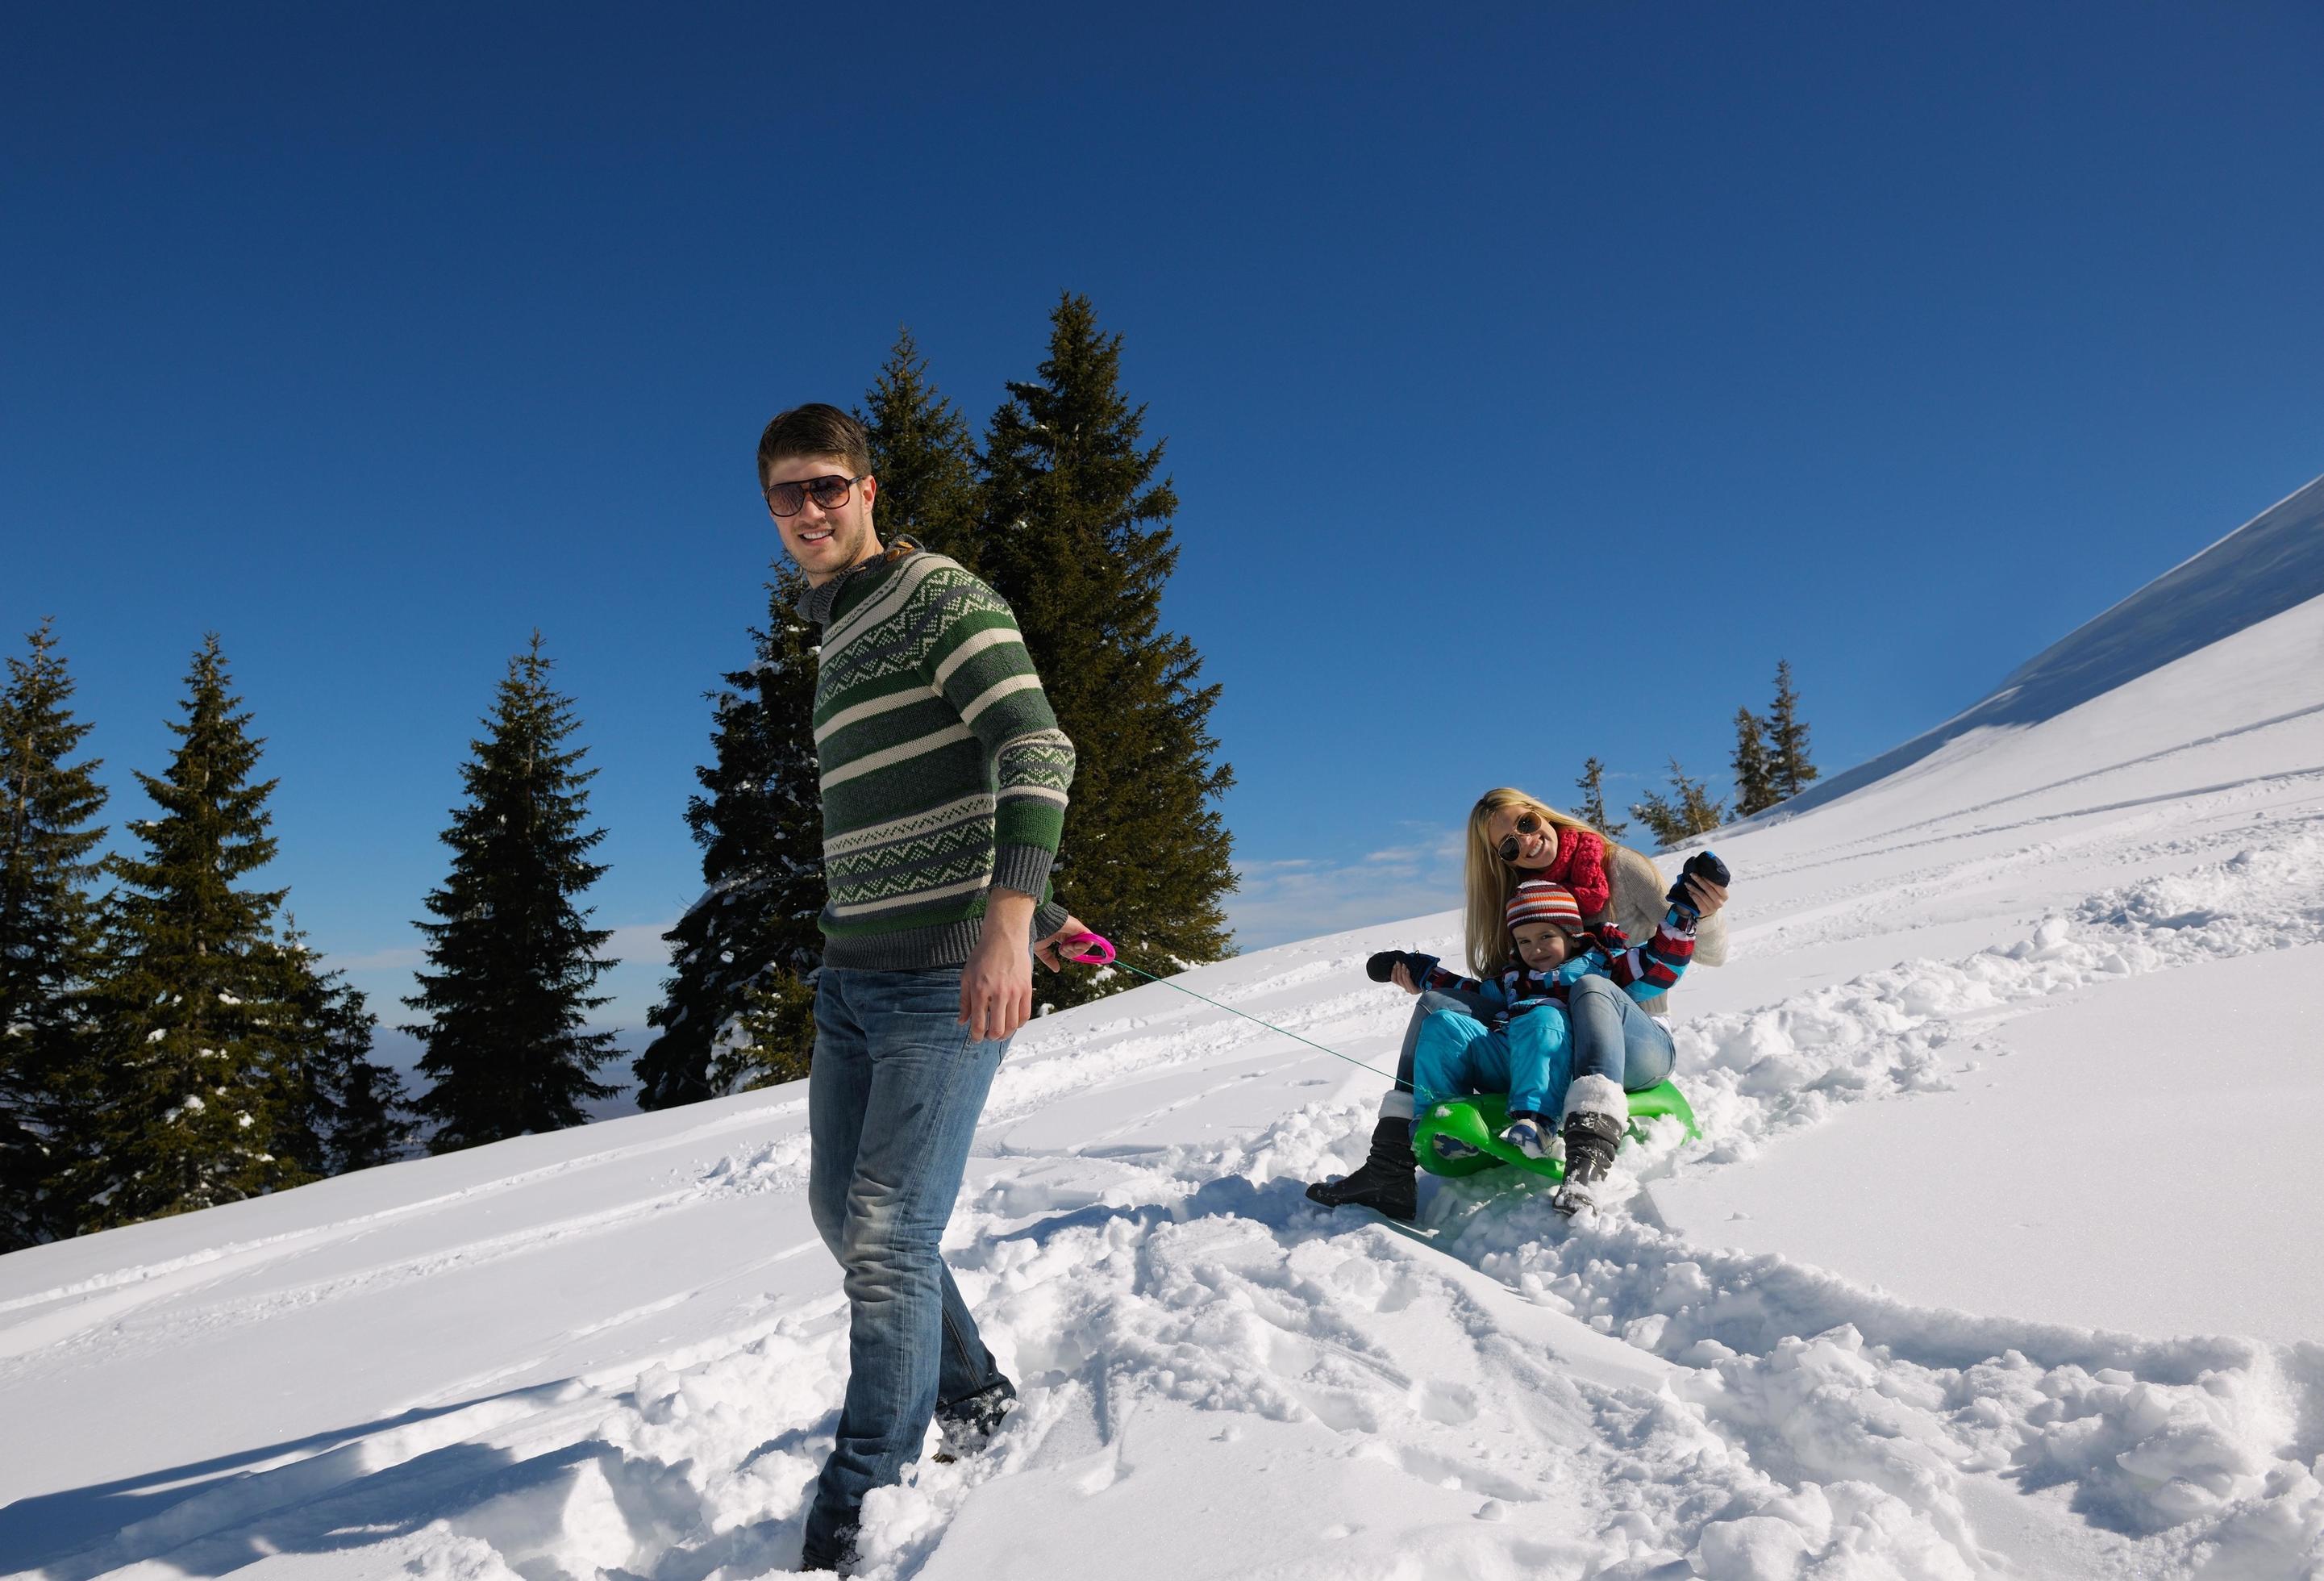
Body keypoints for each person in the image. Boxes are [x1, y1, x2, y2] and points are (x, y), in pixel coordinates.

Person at [760, 403, 1091, 1574]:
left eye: (826, 488)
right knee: (838, 1214)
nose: (807, 512)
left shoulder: (936, 593)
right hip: (852, 975)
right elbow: (938, 793)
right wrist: (1047, 916)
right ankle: (972, 1388)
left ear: (868, 488)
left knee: (891, 1235)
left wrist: (1005, 925)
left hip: (944, 981)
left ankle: (864, 1494)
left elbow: (1032, 747)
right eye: (786, 495)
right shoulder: (836, 632)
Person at [1306, 786, 1728, 1220]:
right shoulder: (1518, 912)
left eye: (1525, 823)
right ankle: (1390, 1166)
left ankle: (1587, 1161)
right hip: (1541, 1038)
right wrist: (1417, 970)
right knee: (1438, 1005)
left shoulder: (1617, 879)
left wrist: (1693, 910)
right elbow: (1482, 991)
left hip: (1635, 1038)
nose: (1525, 841)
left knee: (1587, 989)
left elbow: (1676, 958)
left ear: (1540, 813)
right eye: (1508, 844)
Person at [1393, 869, 1713, 1215]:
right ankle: (1440, 1120)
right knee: (1443, 1024)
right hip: (1525, 1058)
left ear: (1573, 935)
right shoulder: (1514, 979)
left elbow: (1658, 963)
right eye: (1525, 941)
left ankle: (1539, 1124)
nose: (1536, 949)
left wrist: (1683, 914)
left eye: (1546, 936)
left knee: (1545, 1015)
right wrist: (1421, 971)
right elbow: (1466, 992)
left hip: (1584, 1056)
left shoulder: (1605, 964)